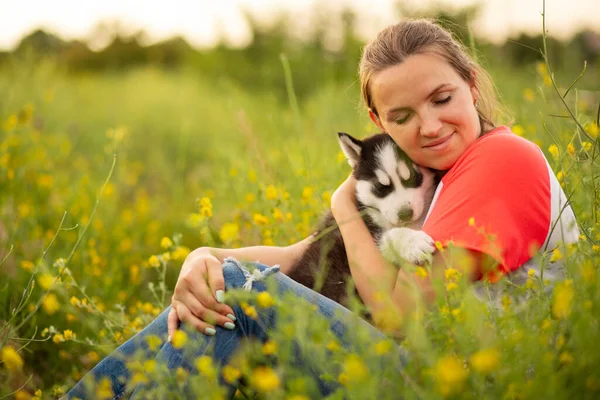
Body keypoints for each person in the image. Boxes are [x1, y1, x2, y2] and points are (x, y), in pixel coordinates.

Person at [66, 19, 580, 399]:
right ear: (379, 123)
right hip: (425, 373)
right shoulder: (432, 178)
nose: (428, 125)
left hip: (469, 384)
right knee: (227, 285)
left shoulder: (501, 158)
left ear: (472, 83)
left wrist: (346, 204)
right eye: (402, 116)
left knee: (246, 294)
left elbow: (397, 314)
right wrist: (205, 256)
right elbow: (304, 255)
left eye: (442, 97)